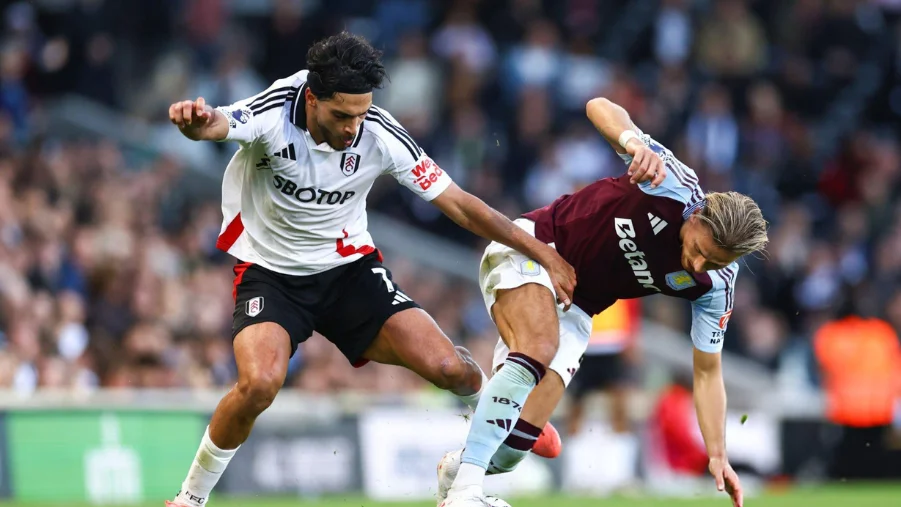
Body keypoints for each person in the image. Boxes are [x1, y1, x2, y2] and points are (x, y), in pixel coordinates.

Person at [163, 32, 576, 507]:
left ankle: (503, 414)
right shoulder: (275, 112)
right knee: (259, 383)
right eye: (341, 116)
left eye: (360, 114)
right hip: (271, 274)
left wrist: (541, 250)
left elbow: (460, 205)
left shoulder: (378, 132)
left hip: (349, 272)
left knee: (450, 369)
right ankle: (190, 499)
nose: (352, 129)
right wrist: (194, 124)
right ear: (313, 99)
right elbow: (218, 124)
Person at [437, 96, 768, 507]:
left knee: (508, 452)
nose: (698, 263)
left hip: (576, 307)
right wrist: (633, 142)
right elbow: (598, 106)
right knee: (539, 348)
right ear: (697, 217)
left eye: (716, 261)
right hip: (535, 247)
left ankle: (459, 468)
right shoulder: (671, 182)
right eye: (701, 249)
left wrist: (718, 453)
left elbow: (706, 372)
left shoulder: (716, 284)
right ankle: (466, 494)